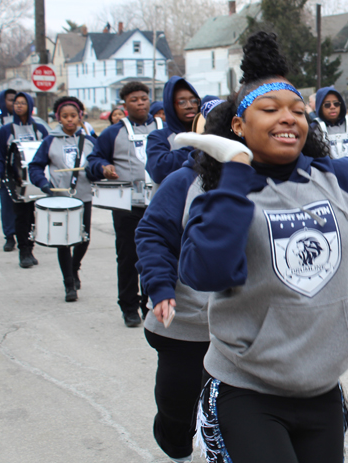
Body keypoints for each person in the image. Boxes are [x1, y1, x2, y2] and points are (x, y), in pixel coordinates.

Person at [173, 32, 348, 463]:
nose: (288, 118)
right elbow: (206, 273)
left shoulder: (341, 177)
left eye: (298, 110)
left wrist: (334, 275)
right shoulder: (213, 190)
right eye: (270, 110)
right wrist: (236, 171)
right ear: (238, 125)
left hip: (322, 385)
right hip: (247, 387)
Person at [134, 100, 226, 463]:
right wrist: (159, 287)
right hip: (184, 325)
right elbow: (153, 235)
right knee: (177, 410)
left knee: (236, 412)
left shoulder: (265, 182)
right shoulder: (182, 182)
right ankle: (177, 452)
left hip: (243, 329)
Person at [86, 81, 162, 327]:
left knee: (158, 256)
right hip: (127, 206)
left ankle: (152, 304)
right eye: (134, 100)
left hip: (159, 204)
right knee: (128, 256)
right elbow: (94, 159)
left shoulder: (164, 128)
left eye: (143, 98)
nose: (140, 103)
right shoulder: (112, 133)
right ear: (125, 105)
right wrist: (102, 167)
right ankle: (129, 306)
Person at [29, 96, 97, 302]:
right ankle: (69, 283)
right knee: (63, 242)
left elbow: (99, 164)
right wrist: (43, 184)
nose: (69, 120)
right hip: (59, 199)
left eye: (73, 116)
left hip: (83, 197)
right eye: (65, 116)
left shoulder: (90, 141)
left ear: (80, 117)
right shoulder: (50, 141)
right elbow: (34, 166)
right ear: (58, 118)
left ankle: (74, 267)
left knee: (84, 238)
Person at [0, 92, 48, 268]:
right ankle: (23, 251)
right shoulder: (5, 130)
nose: (18, 106)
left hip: (35, 181)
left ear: (30, 105)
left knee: (32, 216)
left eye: (23, 103)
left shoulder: (40, 129)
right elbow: (0, 156)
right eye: (16, 103)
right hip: (15, 181)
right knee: (20, 215)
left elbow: (49, 154)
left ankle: (30, 248)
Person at [145, 76, 200, 185]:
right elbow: (159, 170)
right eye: (181, 102)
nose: (189, 106)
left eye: (194, 101)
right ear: (170, 105)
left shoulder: (208, 133)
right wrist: (197, 147)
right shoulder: (158, 137)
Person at [0, 89, 17, 252]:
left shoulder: (29, 122)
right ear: (3, 101)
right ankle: (9, 236)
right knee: (7, 204)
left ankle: (26, 235)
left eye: (17, 100)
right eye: (10, 100)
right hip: (2, 168)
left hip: (22, 171)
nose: (15, 103)